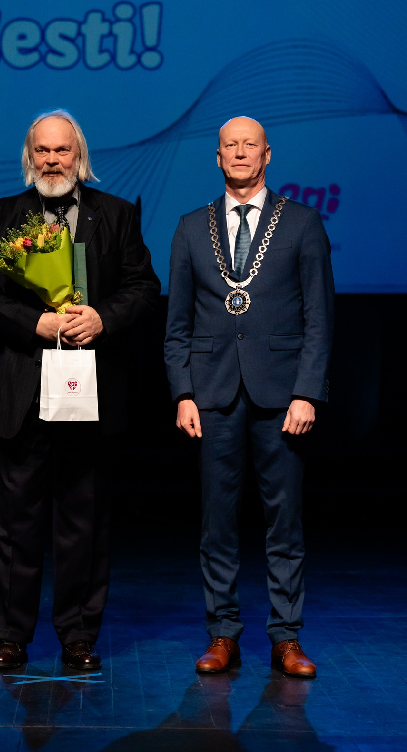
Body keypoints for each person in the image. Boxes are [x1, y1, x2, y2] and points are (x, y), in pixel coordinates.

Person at [0, 110, 160, 672]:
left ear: (80, 156)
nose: (52, 160)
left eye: (62, 150)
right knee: (16, 524)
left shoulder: (116, 215)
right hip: (22, 390)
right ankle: (11, 637)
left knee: (84, 522)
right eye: (43, 151)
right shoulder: (2, 216)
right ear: (30, 157)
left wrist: (103, 318)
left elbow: (144, 287)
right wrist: (37, 323)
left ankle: (78, 635)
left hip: (90, 392)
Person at [165, 117, 334, 677]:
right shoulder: (192, 227)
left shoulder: (303, 222)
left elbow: (319, 318)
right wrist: (183, 392)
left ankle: (286, 637)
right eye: (229, 146)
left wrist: (307, 392)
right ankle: (222, 634)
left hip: (282, 394)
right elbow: (178, 324)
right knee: (217, 522)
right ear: (218, 157)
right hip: (212, 393)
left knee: (284, 522)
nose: (240, 153)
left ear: (267, 155)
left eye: (249, 145)